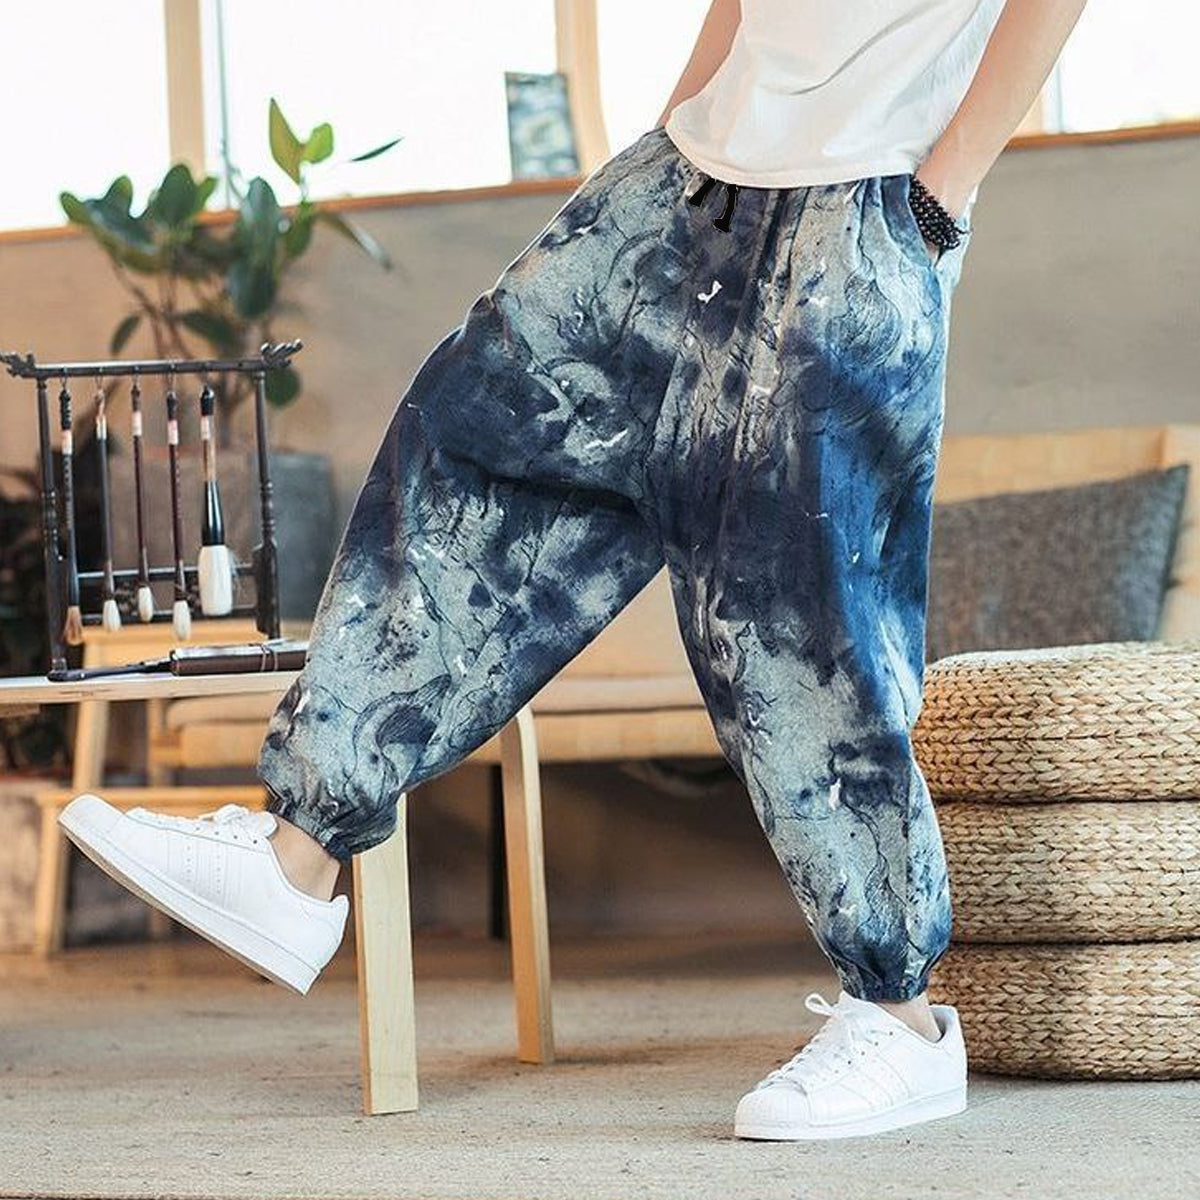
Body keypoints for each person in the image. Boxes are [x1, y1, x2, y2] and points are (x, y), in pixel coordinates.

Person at [60, 0, 1089, 1142]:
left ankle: (897, 1015)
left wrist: (939, 196)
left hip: (867, 200)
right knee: (475, 438)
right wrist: (676, 134)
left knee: (797, 605)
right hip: (682, 179)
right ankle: (298, 857)